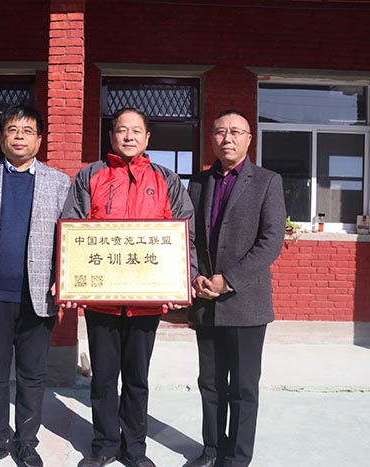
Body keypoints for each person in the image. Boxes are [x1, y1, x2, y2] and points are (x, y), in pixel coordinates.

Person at [62, 107, 195, 467]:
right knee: (104, 378)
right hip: (101, 300)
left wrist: (180, 282)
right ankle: (104, 444)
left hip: (146, 301)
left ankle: (134, 448)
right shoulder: (90, 175)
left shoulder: (166, 179)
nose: (129, 136)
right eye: (122, 130)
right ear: (111, 136)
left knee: (137, 379)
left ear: (147, 138)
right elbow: (71, 226)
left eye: (137, 130)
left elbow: (185, 233)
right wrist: (67, 279)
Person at [0, 105, 71, 467]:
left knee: (32, 375)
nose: (19, 136)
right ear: (2, 137)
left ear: (39, 139)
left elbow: (67, 236)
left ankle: (26, 443)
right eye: (12, 129)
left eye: (27, 130)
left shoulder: (59, 183)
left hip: (37, 296)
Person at [185, 110, 286, 467]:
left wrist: (228, 279)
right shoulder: (198, 183)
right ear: (211, 137)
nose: (227, 138)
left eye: (235, 132)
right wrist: (194, 275)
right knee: (210, 383)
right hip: (206, 301)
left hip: (246, 302)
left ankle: (238, 457)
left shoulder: (267, 182)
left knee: (243, 387)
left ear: (249, 139)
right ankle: (211, 450)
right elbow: (188, 237)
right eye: (220, 131)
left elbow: (270, 241)